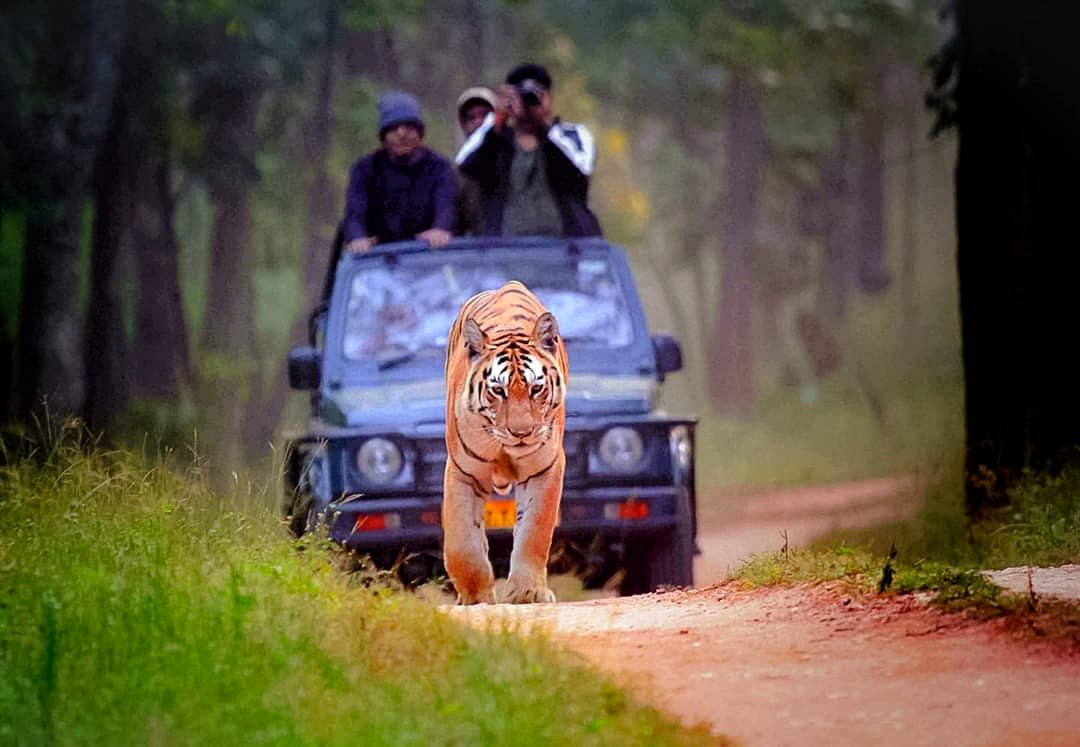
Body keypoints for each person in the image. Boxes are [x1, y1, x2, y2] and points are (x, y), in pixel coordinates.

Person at [455, 63, 602, 237]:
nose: (529, 101)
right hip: (505, 247)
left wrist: (545, 127)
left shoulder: (573, 134)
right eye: (522, 96)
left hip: (566, 247)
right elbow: (464, 163)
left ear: (550, 99)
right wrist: (499, 118)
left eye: (536, 95)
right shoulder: (496, 140)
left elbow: (581, 170)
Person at [341, 90, 457, 253]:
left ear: (419, 133)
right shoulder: (365, 169)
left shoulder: (440, 168)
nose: (402, 134)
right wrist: (358, 238)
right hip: (378, 258)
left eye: (409, 127)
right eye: (393, 128)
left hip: (428, 255)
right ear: (383, 136)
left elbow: (445, 207)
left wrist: (440, 229)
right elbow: (354, 214)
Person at [452, 86, 497, 236]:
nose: (478, 122)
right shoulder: (457, 175)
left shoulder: (514, 161)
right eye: (471, 118)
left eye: (485, 115)